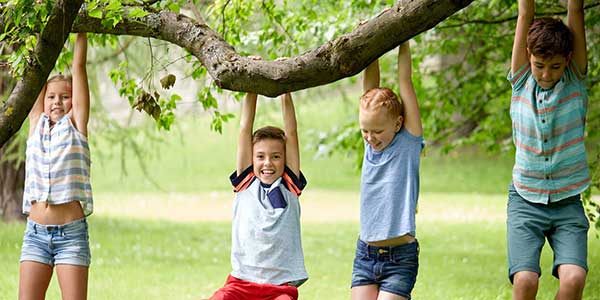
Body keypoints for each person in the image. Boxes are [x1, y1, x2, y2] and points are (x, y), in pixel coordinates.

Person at [507, 1, 590, 299]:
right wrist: (525, 12)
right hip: (525, 200)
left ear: (568, 60)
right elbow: (525, 12)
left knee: (574, 279)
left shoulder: (574, 82)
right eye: (539, 65)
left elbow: (576, 11)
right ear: (528, 57)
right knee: (526, 281)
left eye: (555, 66)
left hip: (567, 201)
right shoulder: (520, 82)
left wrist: (573, 8)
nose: (545, 74)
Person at [210, 92, 308, 300]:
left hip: (279, 287)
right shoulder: (245, 184)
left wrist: (285, 91)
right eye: (260, 157)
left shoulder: (289, 187)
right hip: (241, 284)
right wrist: (251, 89)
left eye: (276, 157)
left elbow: (291, 131)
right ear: (252, 158)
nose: (268, 163)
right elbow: (245, 129)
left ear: (284, 159)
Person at [18, 32, 92, 300]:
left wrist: (80, 31)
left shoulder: (76, 125)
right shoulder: (35, 123)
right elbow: (37, 74)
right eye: (51, 97)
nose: (57, 102)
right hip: (35, 234)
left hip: (70, 235)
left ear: (74, 102)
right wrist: (43, 30)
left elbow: (79, 68)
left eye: (64, 97)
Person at [351, 41, 424, 300]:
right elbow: (369, 86)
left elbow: (405, 81)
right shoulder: (371, 145)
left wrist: (402, 39)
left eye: (377, 131)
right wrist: (374, 39)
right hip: (365, 254)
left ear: (398, 123)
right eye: (365, 131)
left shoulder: (409, 143)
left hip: (400, 256)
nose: (370, 138)